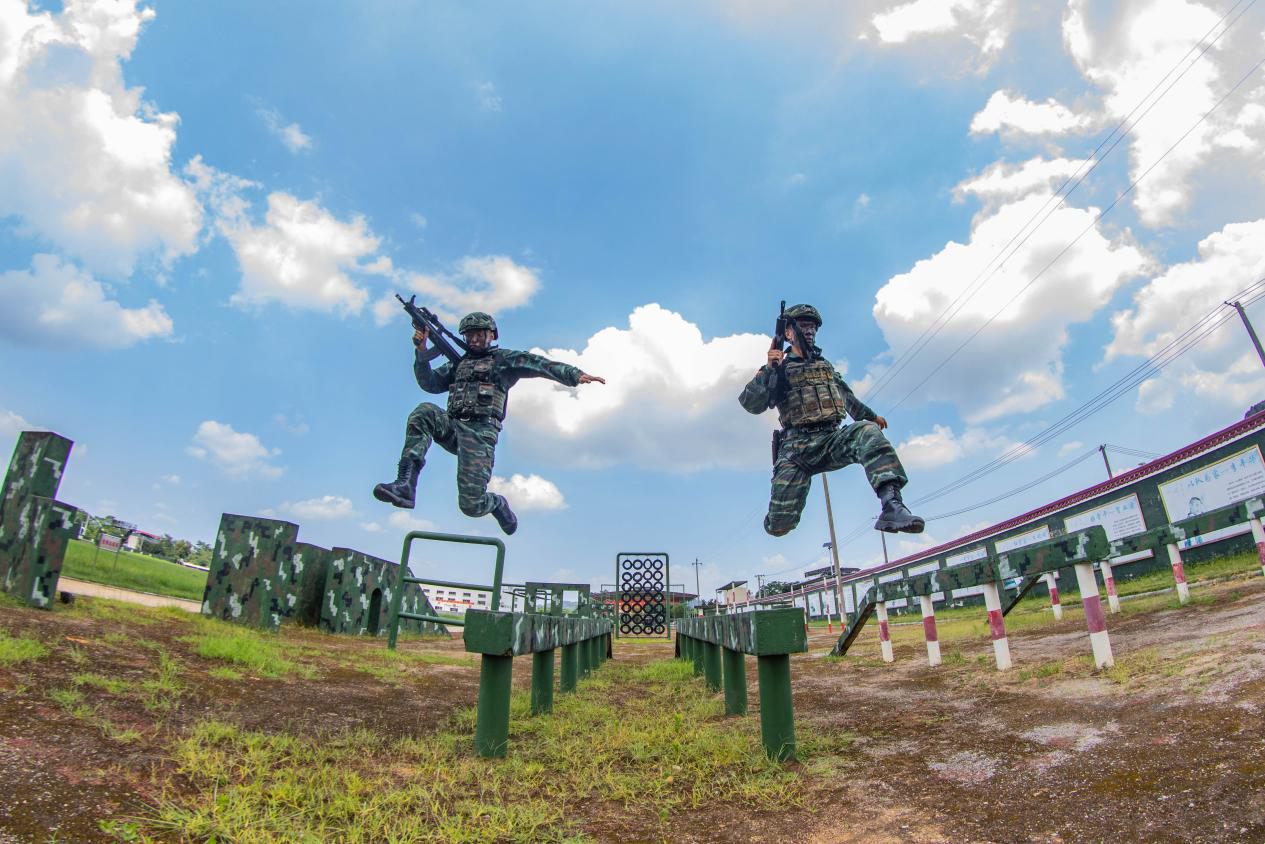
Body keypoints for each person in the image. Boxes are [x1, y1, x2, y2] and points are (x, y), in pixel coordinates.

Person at [373, 311, 605, 535]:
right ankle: (405, 485)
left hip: (480, 435)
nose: (474, 339)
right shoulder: (459, 364)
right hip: (453, 427)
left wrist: (575, 375)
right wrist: (421, 352)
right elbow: (430, 384)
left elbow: (538, 364)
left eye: (479, 334)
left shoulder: (503, 360)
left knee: (471, 505)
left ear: (492, 335)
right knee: (423, 412)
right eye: (469, 335)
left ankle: (496, 503)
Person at [738, 303, 924, 537]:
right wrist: (767, 371)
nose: (810, 331)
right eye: (803, 326)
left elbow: (847, 398)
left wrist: (871, 418)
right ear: (788, 333)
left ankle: (892, 506)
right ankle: (776, 514)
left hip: (830, 440)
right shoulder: (778, 369)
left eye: (813, 327)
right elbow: (751, 404)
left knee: (866, 431)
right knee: (779, 526)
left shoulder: (824, 367)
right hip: (797, 451)